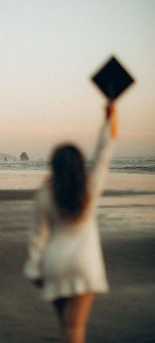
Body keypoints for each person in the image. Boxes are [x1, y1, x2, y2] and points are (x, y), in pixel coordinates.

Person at [24, 102, 117, 343]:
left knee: (66, 326)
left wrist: (35, 268)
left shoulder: (45, 193)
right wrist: (109, 120)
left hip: (55, 265)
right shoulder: (89, 188)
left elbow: (38, 235)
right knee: (75, 329)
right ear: (78, 165)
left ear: (54, 166)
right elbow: (103, 155)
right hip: (84, 263)